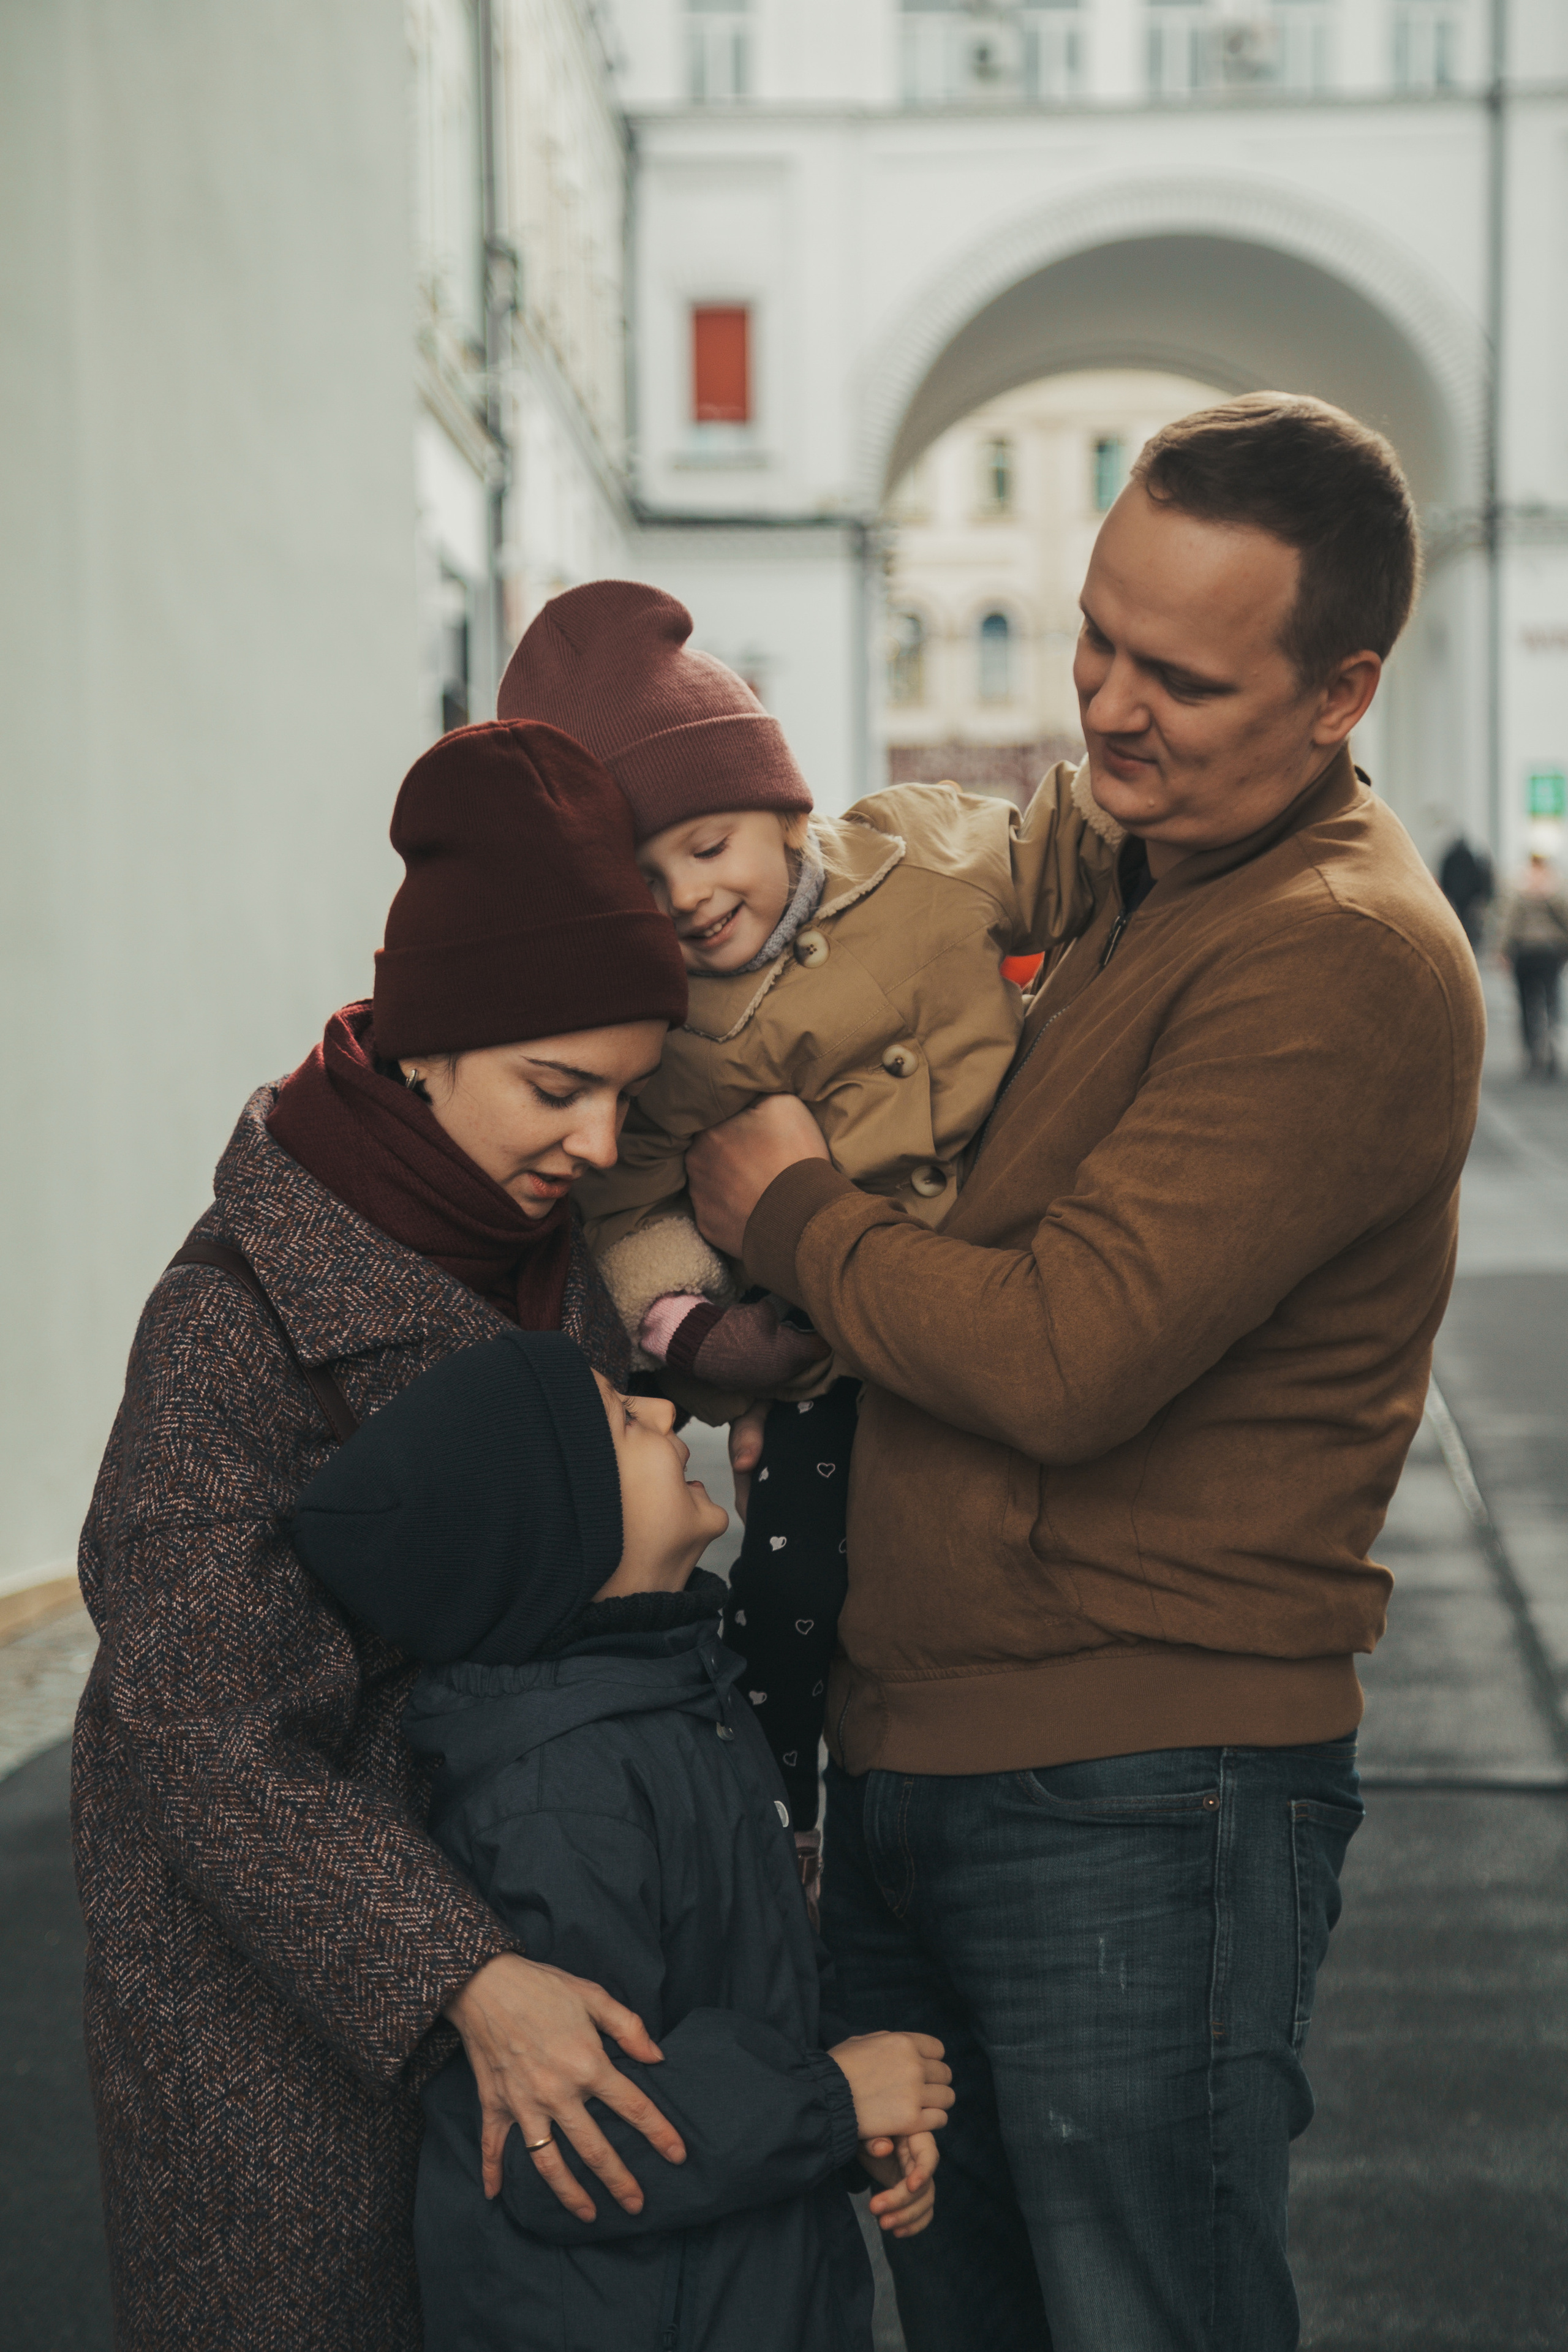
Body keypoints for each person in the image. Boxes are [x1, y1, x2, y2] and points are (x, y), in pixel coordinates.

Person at [683, 394, 1487, 2351]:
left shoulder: (1338, 948)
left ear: (1341, 691)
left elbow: (1065, 1352)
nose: (1109, 706)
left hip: (1139, 1789)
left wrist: (792, 1211)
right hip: (930, 1751)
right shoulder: (1133, 868)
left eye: (1182, 679)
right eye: (1097, 638)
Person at [72, 722, 698, 2351]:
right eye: (557, 1088)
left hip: (562, 2004)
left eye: (624, 1097)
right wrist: (459, 1978)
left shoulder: (546, 1260)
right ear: (426, 1045)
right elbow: (205, 1735)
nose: (596, 1146)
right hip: (288, 2065)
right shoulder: (235, 1321)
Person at [497, 580, 1115, 1845]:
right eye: (641, 876)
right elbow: (626, 1209)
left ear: (782, 809)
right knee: (787, 1593)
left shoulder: (920, 855)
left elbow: (1057, 853)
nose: (684, 895)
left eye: (707, 845)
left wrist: (1167, 798)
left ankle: (1007, 1779)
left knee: (1007, 1549)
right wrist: (701, 1335)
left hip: (999, 1284)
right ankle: (779, 1834)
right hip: (825, 1348)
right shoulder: (667, 1032)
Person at [291, 1324, 952, 2352]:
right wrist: (831, 2099)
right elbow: (578, 2134)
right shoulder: (560, 1794)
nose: (664, 1409)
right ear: (561, 1536)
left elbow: (744, 1985)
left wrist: (847, 2106)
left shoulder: (679, 1703)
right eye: (621, 1420)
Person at [1498, 847, 1568, 1076]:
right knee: (1545, 1002)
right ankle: (1544, 1049)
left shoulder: (1521, 885)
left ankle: (1538, 1051)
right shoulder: (1554, 886)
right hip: (1543, 951)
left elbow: (1508, 922)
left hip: (1531, 951)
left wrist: (1503, 950)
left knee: (1533, 1003)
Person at [1438, 831, 1493, 947]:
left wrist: (1446, 893)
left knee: (1458, 919)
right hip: (1468, 897)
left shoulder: (1450, 858)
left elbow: (1445, 877)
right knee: (1467, 921)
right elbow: (1476, 878)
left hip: (1455, 895)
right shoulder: (1470, 858)